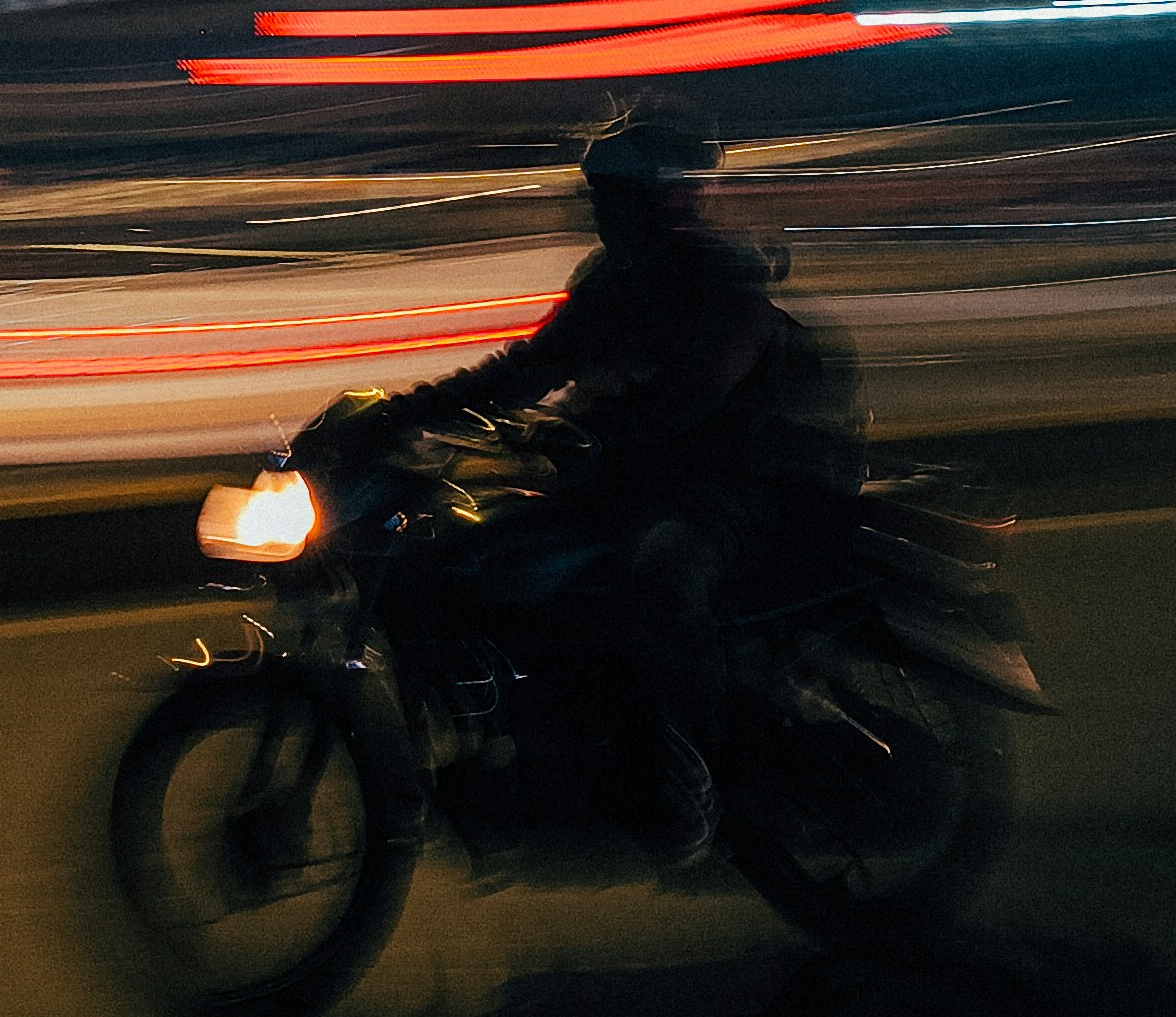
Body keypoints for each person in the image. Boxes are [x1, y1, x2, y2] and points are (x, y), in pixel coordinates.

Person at [298, 103, 863, 863]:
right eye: (597, 198)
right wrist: (392, 417)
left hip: (732, 490)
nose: (603, 214)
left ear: (663, 200)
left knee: (660, 574)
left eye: (618, 199)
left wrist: (597, 429)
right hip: (631, 485)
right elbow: (521, 372)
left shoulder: (718, 284)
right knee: (482, 553)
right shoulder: (609, 284)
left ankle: (694, 775)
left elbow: (693, 395)